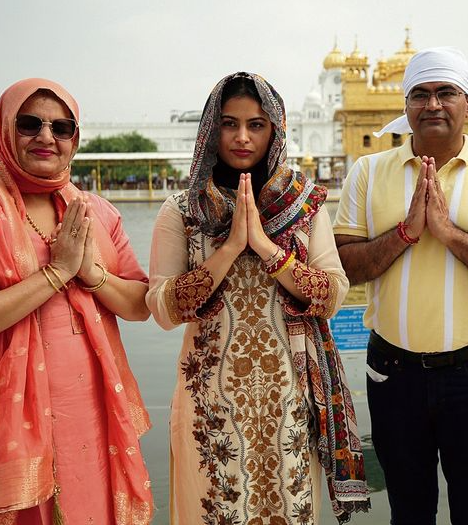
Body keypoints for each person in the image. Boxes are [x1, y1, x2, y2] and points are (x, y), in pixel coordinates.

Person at [332, 47, 468, 524]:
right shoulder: (368, 173)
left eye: (445, 92)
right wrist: (407, 233)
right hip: (392, 370)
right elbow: (343, 267)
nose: (432, 105)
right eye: (420, 94)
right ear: (405, 106)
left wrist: (449, 234)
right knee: (408, 511)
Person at [145, 72, 370, 525]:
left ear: (276, 129)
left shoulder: (302, 204)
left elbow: (333, 295)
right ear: (212, 128)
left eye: (256, 124)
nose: (242, 137)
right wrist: (228, 249)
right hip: (211, 402)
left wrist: (268, 249)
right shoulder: (184, 211)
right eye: (229, 124)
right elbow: (163, 308)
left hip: (289, 399)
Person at [0, 78, 154, 525]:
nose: (46, 137)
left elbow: (138, 304)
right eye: (30, 124)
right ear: (5, 130)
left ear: (75, 138)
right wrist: (55, 274)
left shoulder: (97, 212)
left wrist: (91, 274)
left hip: (92, 415)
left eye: (62, 127)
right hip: (5, 422)